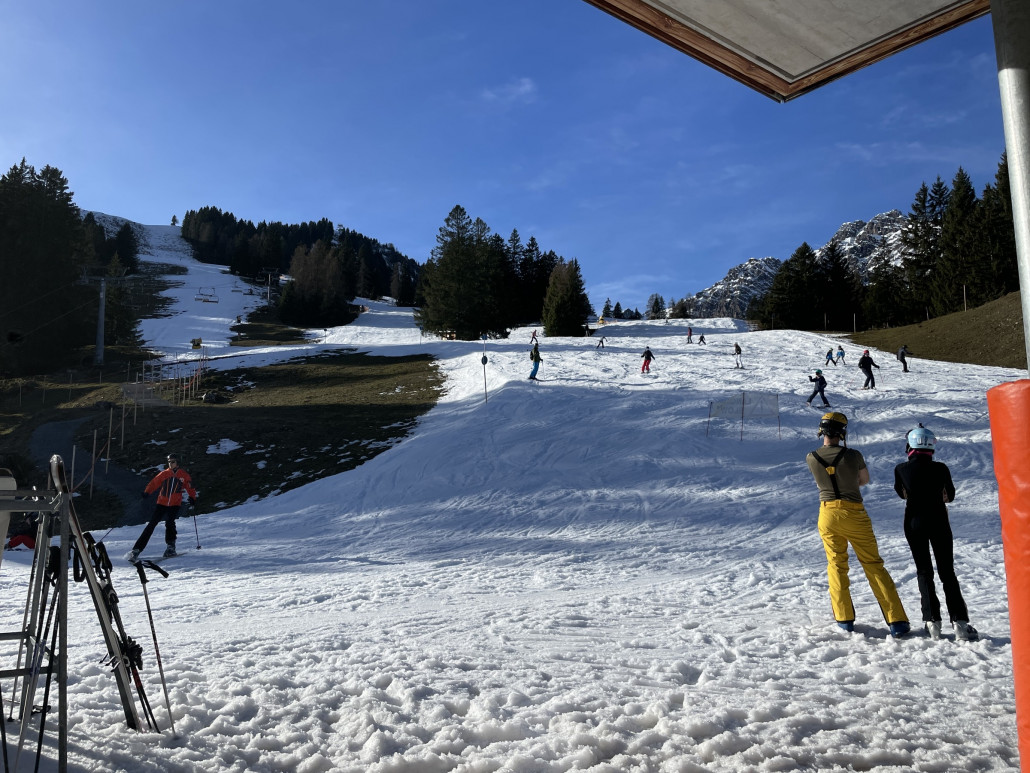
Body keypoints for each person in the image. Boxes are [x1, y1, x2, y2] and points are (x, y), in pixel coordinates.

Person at [806, 412, 910, 637]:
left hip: (827, 513)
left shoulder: (812, 457)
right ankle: (897, 621)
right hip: (853, 512)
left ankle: (844, 620)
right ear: (842, 433)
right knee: (873, 563)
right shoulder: (853, 455)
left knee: (836, 565)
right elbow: (864, 480)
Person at [894, 426, 978, 641]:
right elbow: (949, 496)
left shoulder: (901, 469)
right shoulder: (941, 468)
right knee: (947, 571)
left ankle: (932, 622)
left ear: (911, 445)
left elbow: (901, 494)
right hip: (939, 521)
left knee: (924, 571)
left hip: (913, 522)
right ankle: (960, 623)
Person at [127, 454, 198, 561]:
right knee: (151, 524)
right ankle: (136, 549)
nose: (170, 463)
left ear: (178, 462)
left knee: (170, 523)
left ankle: (171, 547)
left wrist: (192, 498)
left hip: (174, 504)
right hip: (162, 503)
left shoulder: (183, 475)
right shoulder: (164, 474)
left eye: (173, 461)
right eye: (169, 462)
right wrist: (147, 492)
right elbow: (154, 483)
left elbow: (190, 487)